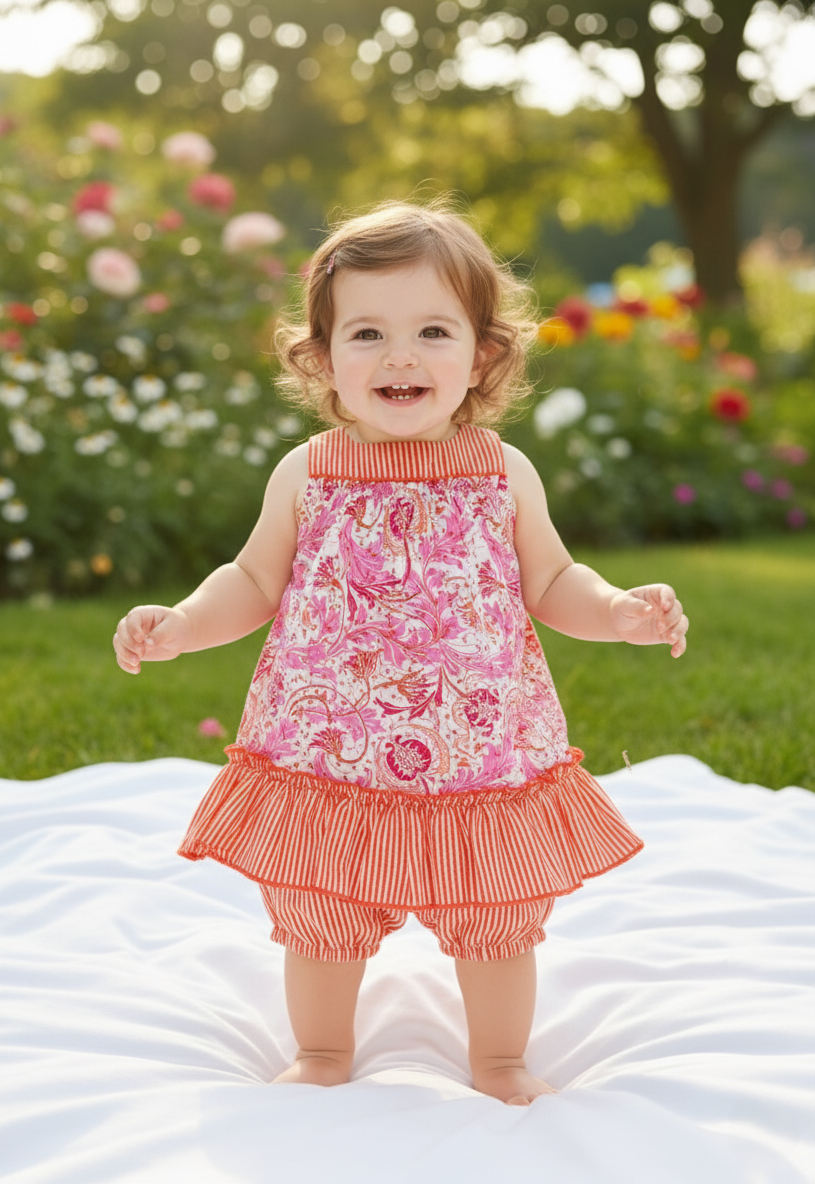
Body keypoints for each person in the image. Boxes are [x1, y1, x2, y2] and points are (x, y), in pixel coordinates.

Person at [113, 201, 688, 1107]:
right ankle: (322, 1049)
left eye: (432, 331)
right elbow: (253, 579)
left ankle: (500, 1059)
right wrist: (184, 622)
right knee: (322, 908)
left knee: (496, 915)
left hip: (476, 756)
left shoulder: (501, 471)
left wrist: (618, 611)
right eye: (368, 333)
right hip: (331, 754)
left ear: (483, 355)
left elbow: (552, 579)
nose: (400, 357)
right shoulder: (309, 472)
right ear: (322, 357)